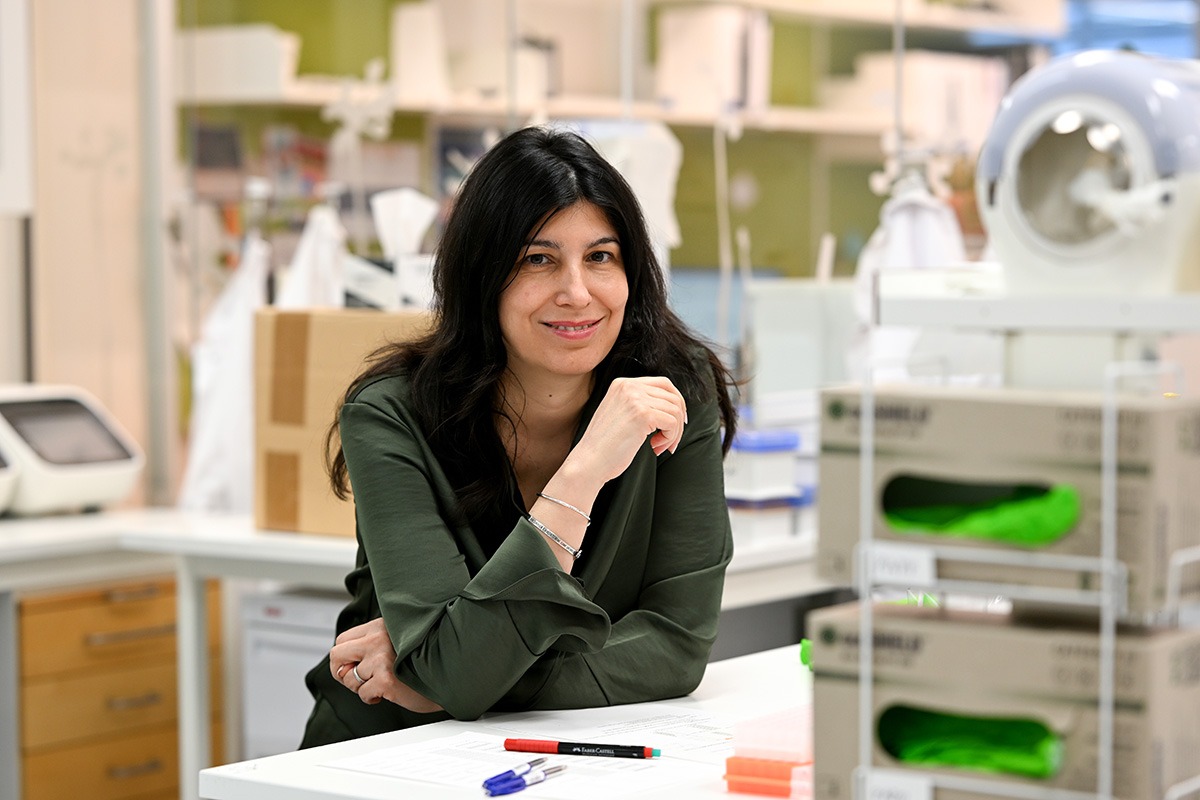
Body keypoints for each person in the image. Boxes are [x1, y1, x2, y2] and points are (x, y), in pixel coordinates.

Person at [300, 125, 738, 747]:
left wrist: (452, 674)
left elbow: (677, 646)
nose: (577, 293)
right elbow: (455, 668)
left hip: (556, 757)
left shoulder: (673, 390)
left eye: (601, 257)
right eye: (538, 259)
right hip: (384, 750)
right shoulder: (391, 414)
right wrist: (584, 473)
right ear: (484, 275)